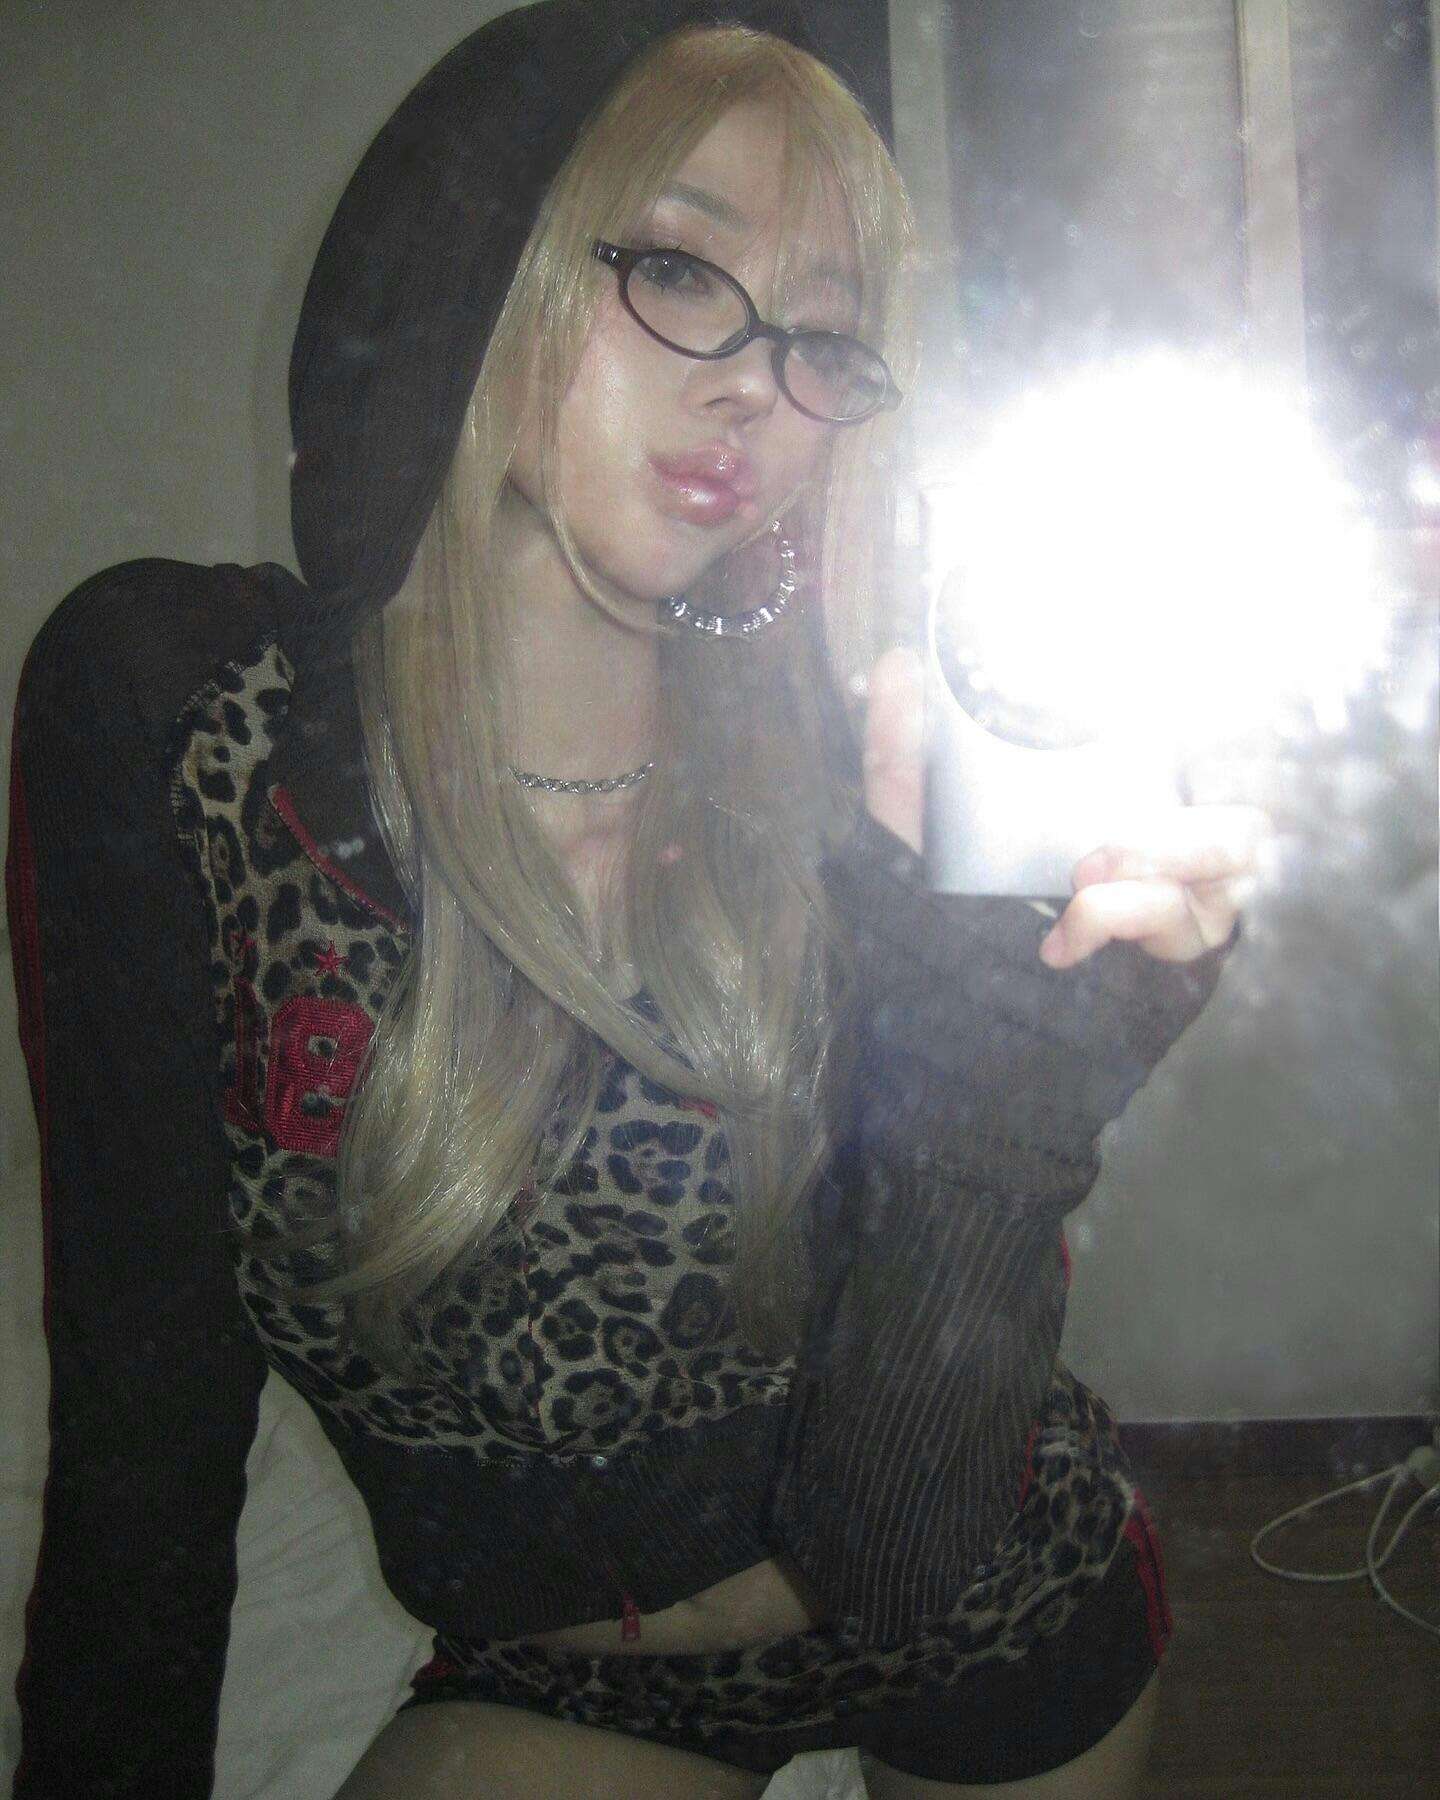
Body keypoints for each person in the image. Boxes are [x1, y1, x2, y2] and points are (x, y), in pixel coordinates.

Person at [6, 4, 1258, 1796]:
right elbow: (145, 1419)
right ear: (473, 257)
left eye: (825, 335)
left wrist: (1018, 1083)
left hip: (983, 1607)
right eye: (680, 267)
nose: (760, 384)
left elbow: (901, 1558)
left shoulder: (873, 780)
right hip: (559, 1679)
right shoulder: (191, 727)